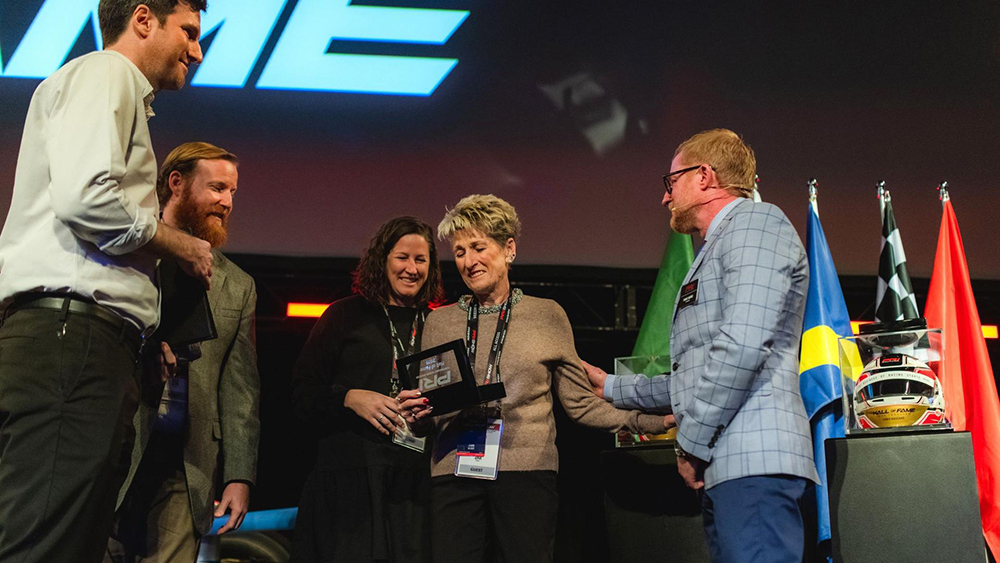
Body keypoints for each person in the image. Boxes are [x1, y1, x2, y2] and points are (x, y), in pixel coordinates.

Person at [0, 1, 210, 561]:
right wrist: (180, 244)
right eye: (188, 32)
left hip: (78, 344)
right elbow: (88, 201)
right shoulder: (107, 72)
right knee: (46, 545)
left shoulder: (109, 87)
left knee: (67, 541)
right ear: (143, 19)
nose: (197, 50)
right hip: (72, 344)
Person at [584, 129, 819, 563]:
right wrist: (611, 387)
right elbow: (698, 371)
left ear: (705, 176)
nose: (665, 197)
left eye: (671, 182)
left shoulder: (756, 224)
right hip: (728, 467)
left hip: (753, 460)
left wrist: (690, 442)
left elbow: (743, 345)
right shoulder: (718, 245)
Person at [399, 194, 670, 563]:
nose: (468, 261)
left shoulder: (547, 315)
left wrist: (649, 421)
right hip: (453, 472)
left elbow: (580, 404)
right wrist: (416, 418)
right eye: (459, 252)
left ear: (509, 249)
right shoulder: (439, 322)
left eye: (479, 247)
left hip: (526, 472)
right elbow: (430, 413)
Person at [105, 142, 260, 561]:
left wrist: (239, 475)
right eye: (217, 188)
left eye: (232, 192)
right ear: (176, 183)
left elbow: (240, 391)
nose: (227, 202)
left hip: (186, 464)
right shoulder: (130, 254)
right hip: (116, 446)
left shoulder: (237, 285)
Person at [290, 216, 444, 563]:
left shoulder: (438, 325)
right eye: (402, 257)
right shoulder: (344, 316)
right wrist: (349, 397)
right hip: (350, 483)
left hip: (414, 487)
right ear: (383, 260)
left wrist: (428, 417)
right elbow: (302, 394)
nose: (411, 269)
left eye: (421, 260)